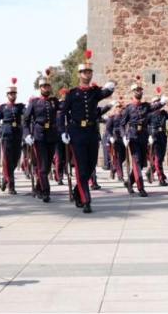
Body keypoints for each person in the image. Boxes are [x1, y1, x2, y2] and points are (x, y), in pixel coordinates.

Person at [58, 50, 116, 213]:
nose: (87, 74)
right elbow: (63, 113)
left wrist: (111, 85)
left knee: (90, 167)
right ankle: (86, 200)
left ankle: (78, 192)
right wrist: (63, 131)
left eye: (89, 71)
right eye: (84, 72)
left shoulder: (94, 92)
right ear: (79, 74)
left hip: (91, 132)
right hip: (77, 133)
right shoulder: (72, 93)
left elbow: (104, 92)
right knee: (81, 168)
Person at [119, 76, 165, 197]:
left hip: (143, 136)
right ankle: (141, 187)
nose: (139, 92)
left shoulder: (145, 106)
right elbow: (122, 124)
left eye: (140, 90)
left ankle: (129, 182)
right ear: (133, 92)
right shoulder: (129, 108)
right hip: (133, 137)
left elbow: (154, 107)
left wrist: (162, 102)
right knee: (137, 160)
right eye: (136, 90)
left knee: (141, 163)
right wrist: (124, 136)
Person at [23, 69, 60, 202]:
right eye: (44, 86)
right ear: (40, 88)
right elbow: (26, 120)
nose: (46, 88)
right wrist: (27, 134)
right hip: (39, 137)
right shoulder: (34, 102)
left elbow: (63, 109)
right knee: (43, 167)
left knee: (47, 165)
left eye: (48, 86)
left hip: (52, 136)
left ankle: (38, 188)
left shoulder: (54, 101)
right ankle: (45, 191)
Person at [0, 79, 26, 195]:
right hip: (6, 134)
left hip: (17, 134)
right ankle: (11, 186)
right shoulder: (2, 108)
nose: (13, 95)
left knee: (15, 159)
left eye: (14, 94)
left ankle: (5, 178)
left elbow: (26, 113)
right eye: (11, 94)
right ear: (7, 95)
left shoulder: (20, 106)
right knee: (7, 160)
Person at [149, 87, 168, 184]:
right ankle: (161, 178)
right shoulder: (150, 114)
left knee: (161, 158)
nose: (157, 104)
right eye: (155, 102)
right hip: (154, 137)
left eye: (158, 102)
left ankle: (149, 172)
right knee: (157, 158)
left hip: (163, 136)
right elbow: (146, 125)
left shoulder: (163, 113)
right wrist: (149, 136)